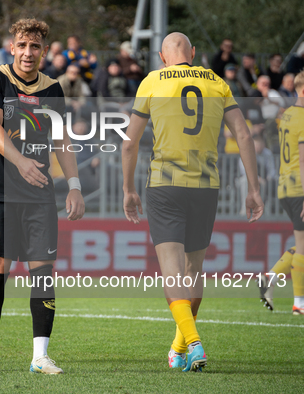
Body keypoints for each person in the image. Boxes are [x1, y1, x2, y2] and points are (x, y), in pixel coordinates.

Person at [122, 32, 264, 372]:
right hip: (206, 185)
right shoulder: (216, 81)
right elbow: (243, 135)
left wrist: (128, 189)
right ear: (194, 53)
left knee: (172, 274)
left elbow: (129, 143)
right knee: (193, 270)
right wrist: (254, 189)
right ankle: (179, 346)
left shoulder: (153, 81)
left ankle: (194, 342)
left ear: (162, 56)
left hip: (165, 186)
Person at [0, 18, 84, 375]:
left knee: (43, 273)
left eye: (35, 47)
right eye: (22, 45)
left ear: (44, 50)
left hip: (39, 195)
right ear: (12, 47)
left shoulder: (53, 88)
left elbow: (60, 140)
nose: (28, 53)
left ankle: (40, 356)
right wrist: (21, 162)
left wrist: (74, 185)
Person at [259, 71, 304, 315]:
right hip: (299, 188)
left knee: (301, 243)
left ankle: (271, 279)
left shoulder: (286, 115)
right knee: (302, 244)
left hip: (285, 186)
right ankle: (299, 303)